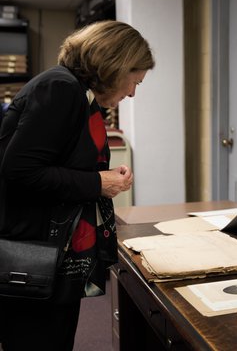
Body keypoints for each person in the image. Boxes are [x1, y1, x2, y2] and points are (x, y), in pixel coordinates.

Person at [0, 20, 154, 350]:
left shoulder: (78, 95)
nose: (132, 92)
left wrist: (104, 178)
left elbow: (61, 163)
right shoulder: (60, 88)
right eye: (134, 81)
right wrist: (97, 182)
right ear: (115, 65)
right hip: (32, 255)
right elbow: (20, 171)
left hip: (52, 252)